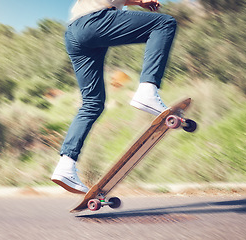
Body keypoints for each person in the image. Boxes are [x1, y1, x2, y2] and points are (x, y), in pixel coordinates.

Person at [51, 0, 177, 194]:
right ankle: (147, 90)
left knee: (92, 103)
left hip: (74, 32)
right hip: (95, 21)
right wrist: (140, 2)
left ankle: (65, 166)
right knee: (164, 23)